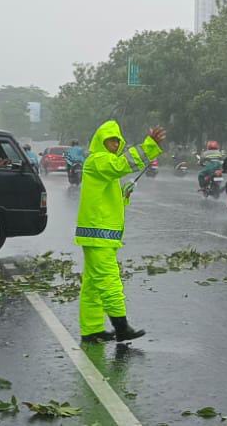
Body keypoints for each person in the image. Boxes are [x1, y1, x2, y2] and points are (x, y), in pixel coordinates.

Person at [75, 120, 165, 344]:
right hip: (99, 233)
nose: (114, 145)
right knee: (109, 280)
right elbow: (123, 164)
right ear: (101, 142)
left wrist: (124, 192)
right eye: (110, 141)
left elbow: (107, 198)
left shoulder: (103, 166)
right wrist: (149, 146)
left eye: (117, 141)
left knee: (93, 284)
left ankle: (92, 329)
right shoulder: (99, 159)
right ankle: (121, 327)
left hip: (99, 233)